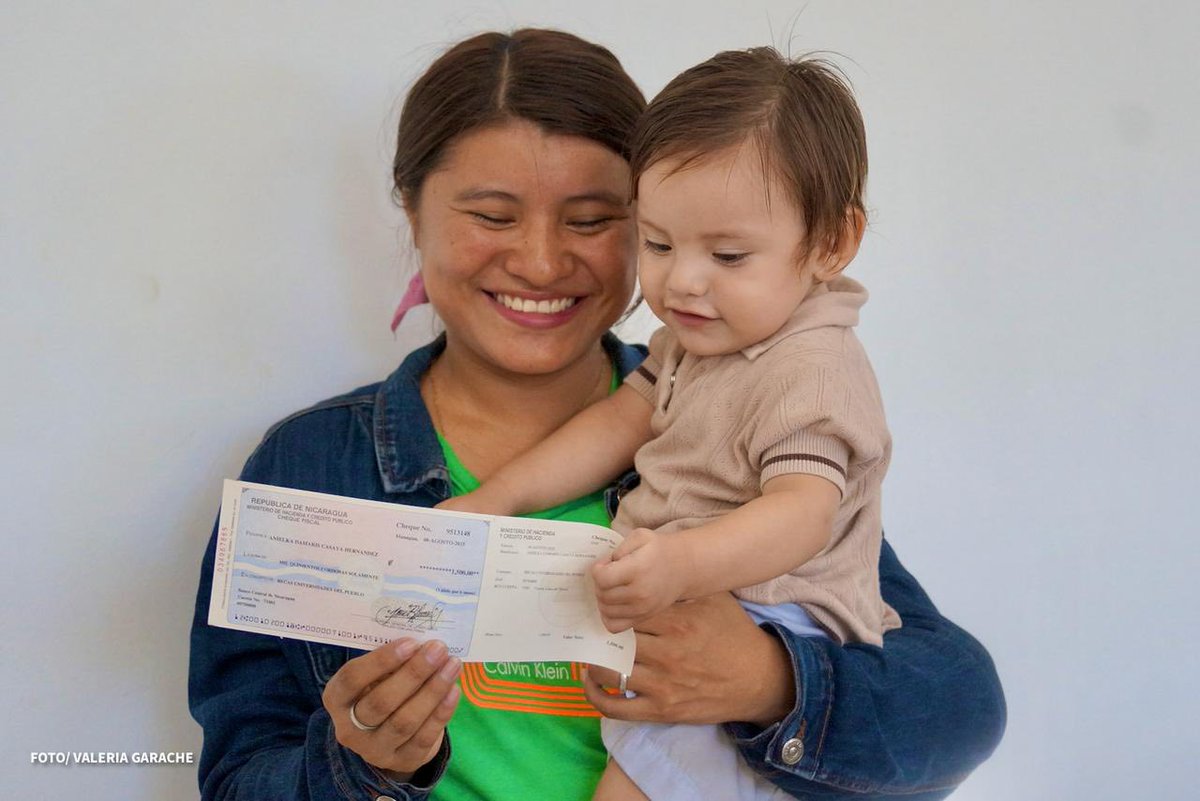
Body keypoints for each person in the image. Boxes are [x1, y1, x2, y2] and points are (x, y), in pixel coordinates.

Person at [188, 28, 1005, 801]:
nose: (541, 260)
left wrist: (766, 679)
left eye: (592, 220)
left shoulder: (733, 434)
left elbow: (959, 707)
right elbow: (237, 772)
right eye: (492, 216)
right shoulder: (314, 467)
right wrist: (356, 762)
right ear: (411, 214)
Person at [439, 46, 894, 800]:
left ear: (830, 244)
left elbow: (803, 513)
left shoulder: (810, 366)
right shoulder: (701, 337)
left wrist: (683, 566)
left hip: (771, 627)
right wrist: (500, 497)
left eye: (728, 252)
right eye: (658, 243)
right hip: (692, 616)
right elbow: (625, 418)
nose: (681, 280)